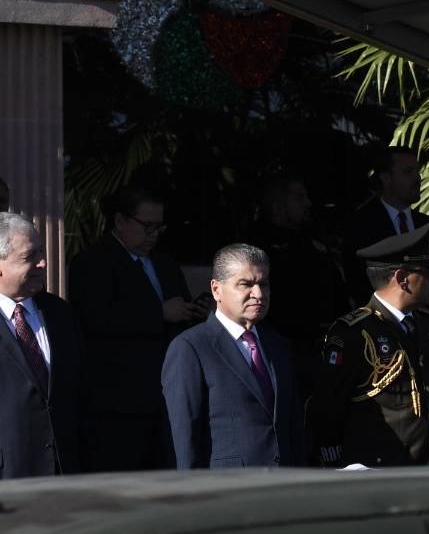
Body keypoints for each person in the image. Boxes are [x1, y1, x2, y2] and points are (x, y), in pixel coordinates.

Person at [68, 185, 205, 471]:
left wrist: (194, 312)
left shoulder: (164, 262)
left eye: (159, 227)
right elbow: (95, 320)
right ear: (120, 221)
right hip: (117, 403)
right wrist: (159, 313)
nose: (153, 235)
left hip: (165, 395)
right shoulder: (92, 262)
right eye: (147, 226)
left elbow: (176, 312)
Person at [308, 225, 429, 467]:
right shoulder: (354, 333)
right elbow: (328, 409)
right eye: (427, 272)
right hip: (380, 472)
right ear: (402, 279)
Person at [161, 243, 304, 468]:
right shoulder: (190, 348)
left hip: (283, 488)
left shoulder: (278, 345)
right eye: (246, 284)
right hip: (227, 490)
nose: (258, 294)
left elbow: (293, 424)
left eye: (263, 284)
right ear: (216, 289)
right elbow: (182, 435)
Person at [251, 176, 351, 398]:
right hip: (280, 351)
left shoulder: (313, 241)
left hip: (321, 349)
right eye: (299, 197)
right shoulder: (256, 249)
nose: (308, 203)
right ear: (278, 204)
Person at [0, 213, 83, 478]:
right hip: (11, 476)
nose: (43, 263)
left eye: (41, 253)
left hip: (65, 471)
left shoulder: (60, 313)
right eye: (29, 257)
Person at [344, 146, 428, 303]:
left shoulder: (427, 224)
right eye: (408, 172)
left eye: (417, 171)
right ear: (386, 178)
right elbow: (357, 280)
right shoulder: (361, 225)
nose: (417, 178)